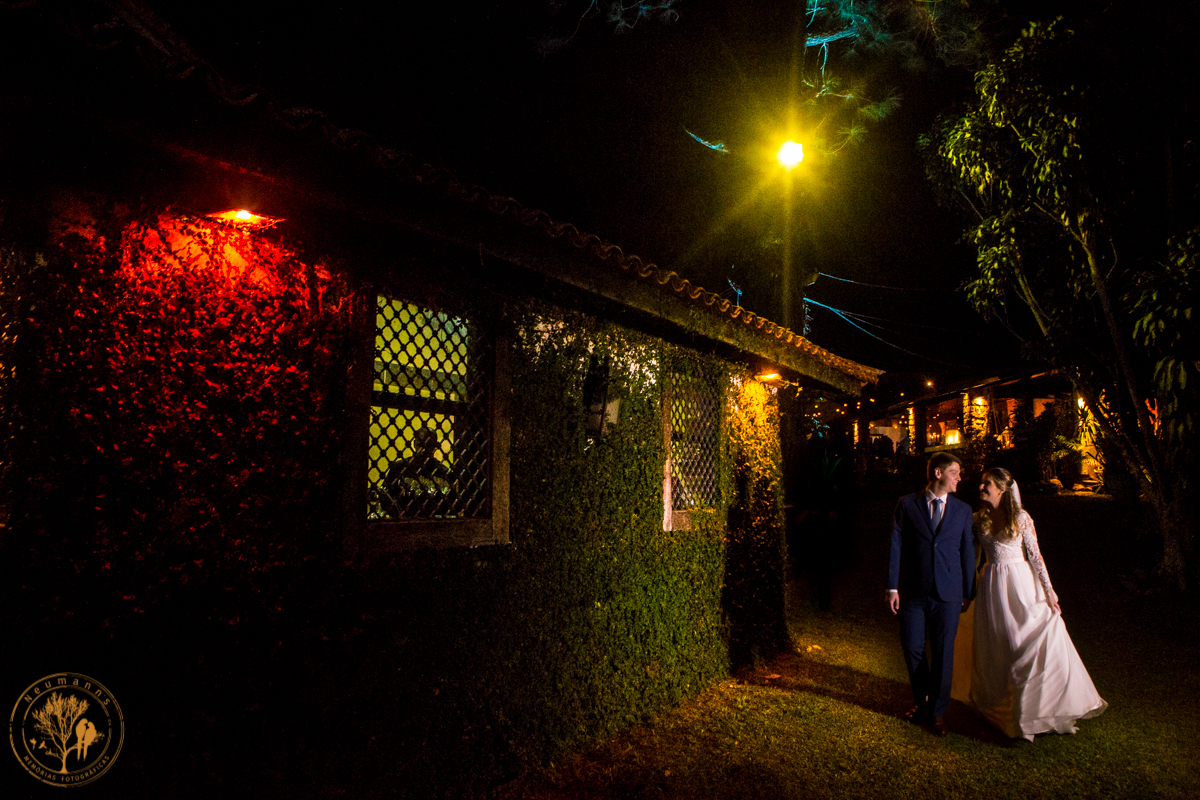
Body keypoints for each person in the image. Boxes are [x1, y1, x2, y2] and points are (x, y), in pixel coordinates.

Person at [970, 467, 1107, 741]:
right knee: (1000, 646)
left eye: (987, 483)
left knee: (1023, 642)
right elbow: (973, 557)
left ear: (1002, 488)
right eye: (982, 483)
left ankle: (1033, 713)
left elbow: (1036, 557)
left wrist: (1049, 592)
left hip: (1020, 585)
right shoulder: (978, 518)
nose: (981, 487)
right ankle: (1005, 707)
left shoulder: (1020, 518)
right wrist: (969, 587)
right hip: (991, 586)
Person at [887, 452, 976, 736]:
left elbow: (967, 552)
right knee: (912, 647)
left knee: (942, 653)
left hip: (949, 593)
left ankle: (937, 712)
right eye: (955, 472)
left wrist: (968, 592)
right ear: (938, 473)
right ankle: (922, 699)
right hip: (913, 590)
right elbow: (896, 545)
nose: (959, 478)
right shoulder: (907, 504)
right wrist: (892, 587)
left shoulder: (962, 510)